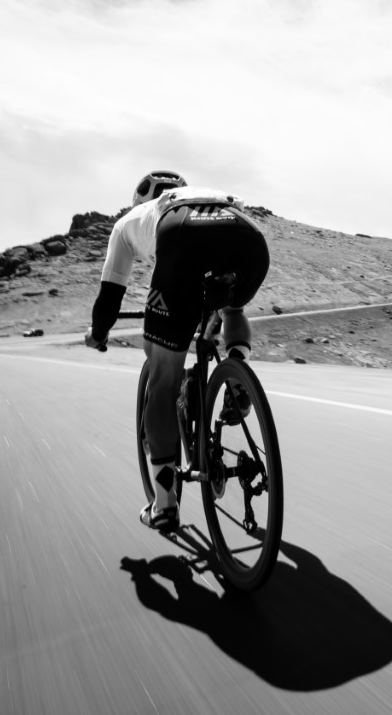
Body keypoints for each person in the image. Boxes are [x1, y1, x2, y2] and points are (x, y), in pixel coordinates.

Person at [85, 171, 270, 532]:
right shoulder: (210, 190)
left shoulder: (129, 222)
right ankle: (237, 370)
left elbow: (110, 296)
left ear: (139, 201)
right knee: (232, 309)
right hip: (247, 236)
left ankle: (165, 504)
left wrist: (99, 332)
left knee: (163, 379)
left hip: (182, 238)